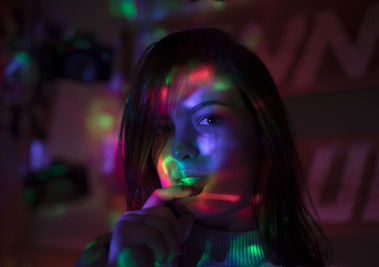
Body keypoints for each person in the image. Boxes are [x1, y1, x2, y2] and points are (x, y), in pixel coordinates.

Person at [76, 28, 331, 267]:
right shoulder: (108, 257)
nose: (179, 149)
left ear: (262, 133)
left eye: (209, 119)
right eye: (162, 128)